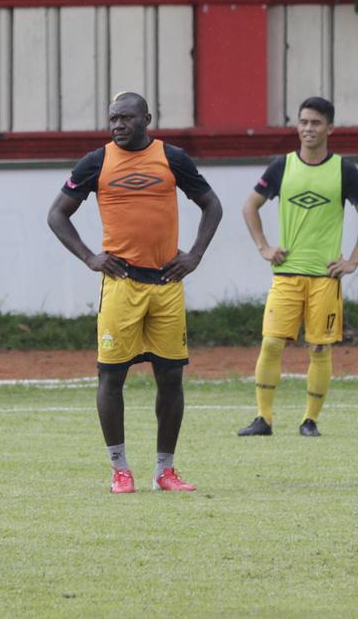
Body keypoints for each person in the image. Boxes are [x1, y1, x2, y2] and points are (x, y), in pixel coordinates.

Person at [47, 92, 222, 494]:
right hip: (121, 286)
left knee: (171, 377)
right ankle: (120, 469)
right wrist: (90, 257)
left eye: (126, 118)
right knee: (111, 377)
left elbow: (211, 204)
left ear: (147, 118)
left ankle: (166, 470)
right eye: (113, 119)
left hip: (166, 284)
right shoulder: (97, 162)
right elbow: (57, 214)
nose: (118, 126)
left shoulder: (173, 158)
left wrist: (194, 255)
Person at [236, 97, 358, 438]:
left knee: (318, 347)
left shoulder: (344, 170)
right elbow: (249, 207)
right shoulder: (281, 167)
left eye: (315, 123)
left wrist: (353, 260)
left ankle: (310, 420)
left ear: (330, 128)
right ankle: (263, 418)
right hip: (286, 275)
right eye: (303, 122)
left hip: (325, 278)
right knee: (271, 344)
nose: (308, 128)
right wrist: (264, 247)